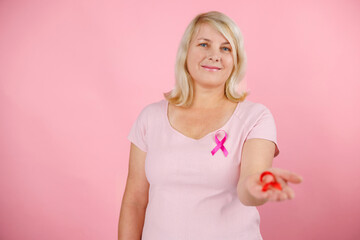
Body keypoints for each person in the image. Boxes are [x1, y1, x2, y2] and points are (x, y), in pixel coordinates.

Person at [118, 11, 303, 240]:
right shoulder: (150, 118)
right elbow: (135, 201)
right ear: (186, 52)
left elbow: (250, 183)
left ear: (236, 61)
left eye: (226, 48)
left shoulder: (255, 117)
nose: (215, 55)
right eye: (204, 44)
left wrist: (257, 186)